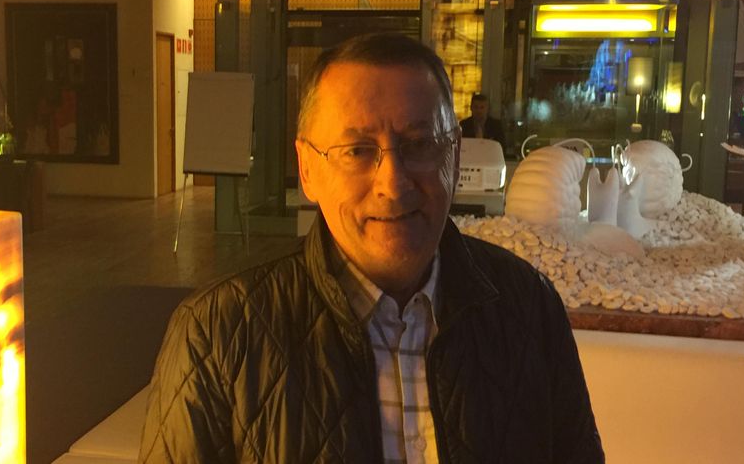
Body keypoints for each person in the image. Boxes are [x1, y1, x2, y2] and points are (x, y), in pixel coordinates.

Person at [139, 33, 603, 463]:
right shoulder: (217, 334)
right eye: (357, 151)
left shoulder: (529, 307)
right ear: (307, 169)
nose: (393, 184)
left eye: (419, 144)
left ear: (455, 153)